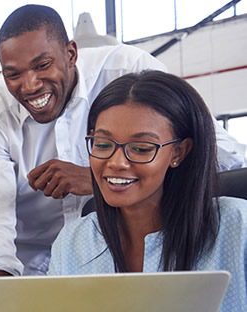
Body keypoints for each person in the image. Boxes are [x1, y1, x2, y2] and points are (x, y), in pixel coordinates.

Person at [0, 4, 246, 284]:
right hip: (31, 271)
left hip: (165, 253)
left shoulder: (131, 71)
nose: (29, 86)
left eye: (42, 65)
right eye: (13, 75)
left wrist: (100, 178)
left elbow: (224, 156)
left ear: (71, 53)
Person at [48, 70, 246, 311]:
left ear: (178, 152)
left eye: (141, 148)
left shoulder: (238, 227)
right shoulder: (72, 242)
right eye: (102, 144)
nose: (116, 162)